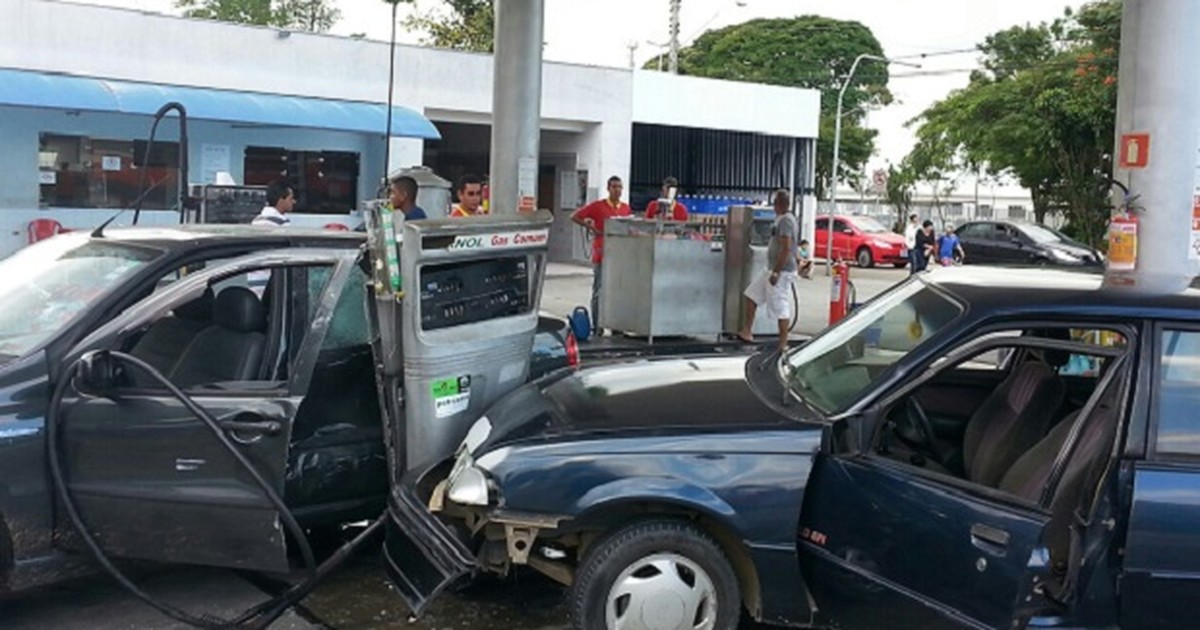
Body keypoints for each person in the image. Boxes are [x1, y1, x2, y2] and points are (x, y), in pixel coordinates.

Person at [737, 189, 797, 354]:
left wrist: (776, 272)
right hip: (770, 269)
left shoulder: (786, 221)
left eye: (775, 203)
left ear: (780, 204)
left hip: (781, 271)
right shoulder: (780, 220)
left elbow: (786, 247)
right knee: (751, 295)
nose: (773, 206)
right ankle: (747, 331)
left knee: (780, 306)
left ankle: (783, 344)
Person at [571, 176, 632, 335]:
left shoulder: (625, 208)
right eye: (614, 187)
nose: (617, 190)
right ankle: (598, 324)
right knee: (599, 289)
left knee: (618, 289)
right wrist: (591, 228)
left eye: (620, 187)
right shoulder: (598, 207)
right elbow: (575, 216)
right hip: (602, 252)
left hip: (620, 254)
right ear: (608, 188)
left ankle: (616, 324)